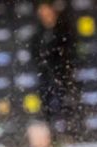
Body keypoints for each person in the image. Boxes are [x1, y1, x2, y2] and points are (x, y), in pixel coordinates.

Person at [30, 1, 77, 137]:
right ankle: (52, 138)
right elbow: (35, 53)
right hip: (45, 77)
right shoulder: (38, 33)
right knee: (47, 109)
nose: (44, 14)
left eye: (46, 10)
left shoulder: (63, 29)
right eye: (41, 11)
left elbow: (70, 51)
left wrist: (64, 70)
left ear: (52, 10)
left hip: (63, 75)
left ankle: (70, 136)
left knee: (66, 107)